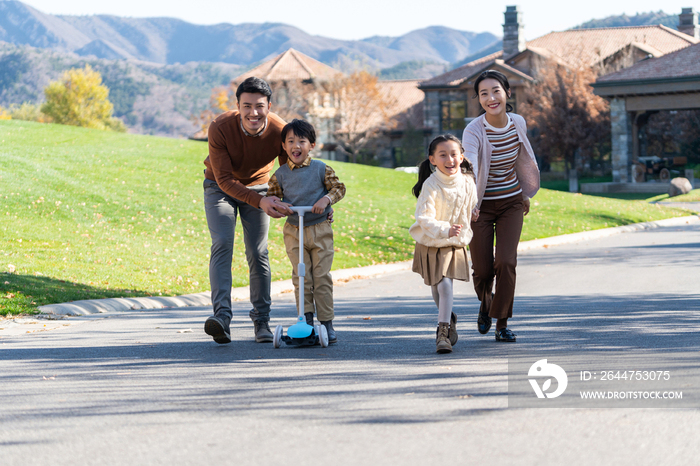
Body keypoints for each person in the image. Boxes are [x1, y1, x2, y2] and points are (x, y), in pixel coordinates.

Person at [202, 77, 294, 345]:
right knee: (222, 243)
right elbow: (225, 180)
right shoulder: (220, 127)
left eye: (259, 106)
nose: (253, 112)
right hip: (219, 188)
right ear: (238, 106)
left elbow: (291, 171)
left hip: (261, 187)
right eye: (247, 106)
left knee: (258, 251)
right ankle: (222, 318)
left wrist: (310, 203)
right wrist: (260, 201)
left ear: (269, 105)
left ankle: (262, 321)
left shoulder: (280, 129)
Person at [461, 70, 540, 343]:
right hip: (479, 206)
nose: (491, 98)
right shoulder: (473, 130)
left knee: (506, 262)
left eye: (496, 91)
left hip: (511, 202)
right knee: (482, 270)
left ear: (507, 92)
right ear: (479, 99)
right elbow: (469, 163)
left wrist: (525, 194)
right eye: (484, 93)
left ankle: (502, 323)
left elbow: (520, 158)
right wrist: (469, 201)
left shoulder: (518, 122)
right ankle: (486, 304)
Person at [266, 119, 346, 343]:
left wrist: (326, 199)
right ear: (284, 146)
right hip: (294, 229)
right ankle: (306, 321)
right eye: (290, 141)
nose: (295, 146)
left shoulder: (321, 168)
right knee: (301, 277)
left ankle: (327, 323)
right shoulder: (280, 174)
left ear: (311, 144)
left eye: (301, 141)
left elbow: (339, 188)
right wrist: (279, 206)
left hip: (320, 228)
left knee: (321, 277)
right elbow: (271, 197)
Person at [409, 134, 477, 353]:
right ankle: (449, 317)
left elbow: (470, 202)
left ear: (462, 156)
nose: (450, 159)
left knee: (445, 285)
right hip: (430, 241)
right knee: (436, 288)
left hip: (453, 242)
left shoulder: (468, 181)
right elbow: (424, 218)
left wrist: (473, 212)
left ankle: (443, 332)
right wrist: (445, 229)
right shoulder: (430, 185)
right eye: (443, 155)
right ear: (432, 160)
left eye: (454, 154)